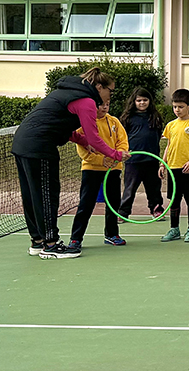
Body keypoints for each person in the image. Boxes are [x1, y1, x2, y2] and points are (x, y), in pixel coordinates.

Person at [13, 68, 128, 258]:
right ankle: (50, 245)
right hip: (40, 146)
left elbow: (60, 126)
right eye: (110, 90)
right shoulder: (86, 101)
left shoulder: (66, 92)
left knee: (31, 194)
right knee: (47, 194)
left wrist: (82, 141)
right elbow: (94, 137)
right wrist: (115, 154)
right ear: (99, 87)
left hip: (22, 142)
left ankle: (37, 241)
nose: (111, 94)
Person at [54, 100, 128, 259]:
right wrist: (101, 160)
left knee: (113, 202)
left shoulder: (114, 122)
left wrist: (117, 157)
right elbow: (83, 148)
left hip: (113, 170)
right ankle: (76, 238)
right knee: (86, 204)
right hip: (91, 169)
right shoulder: (84, 123)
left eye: (107, 104)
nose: (104, 107)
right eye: (100, 104)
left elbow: (122, 141)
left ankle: (111, 234)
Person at [159, 89, 189, 243]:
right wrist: (163, 164)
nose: (177, 110)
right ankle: (174, 229)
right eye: (174, 107)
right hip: (173, 168)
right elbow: (169, 145)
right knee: (174, 200)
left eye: (180, 107)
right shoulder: (171, 125)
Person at [118, 87, 165, 222]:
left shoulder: (154, 117)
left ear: (150, 101)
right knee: (130, 188)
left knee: (154, 188)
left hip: (151, 159)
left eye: (145, 100)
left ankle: (156, 209)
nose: (142, 103)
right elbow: (122, 137)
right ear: (134, 101)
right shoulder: (128, 118)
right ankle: (123, 212)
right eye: (139, 100)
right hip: (134, 160)